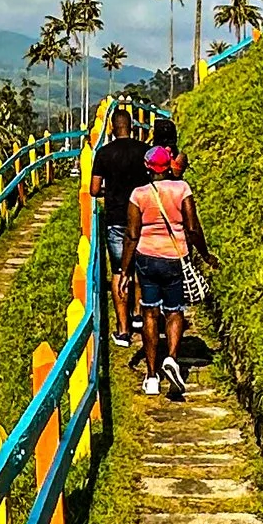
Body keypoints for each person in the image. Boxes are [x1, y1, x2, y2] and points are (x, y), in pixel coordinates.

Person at [126, 143, 209, 399]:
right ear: (168, 166)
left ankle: (151, 376)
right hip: (175, 257)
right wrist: (205, 254)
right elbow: (193, 227)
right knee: (175, 312)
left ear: (147, 167)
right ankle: (172, 358)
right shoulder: (182, 189)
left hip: (147, 258)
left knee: (150, 313)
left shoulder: (138, 194)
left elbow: (131, 235)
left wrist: (125, 270)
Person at [88, 100, 150, 347]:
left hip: (115, 218)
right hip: (142, 217)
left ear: (112, 129)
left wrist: (110, 191)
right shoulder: (144, 151)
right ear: (132, 127)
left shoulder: (104, 154)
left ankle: (123, 330)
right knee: (138, 268)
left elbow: (93, 189)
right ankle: (139, 316)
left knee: (119, 272)